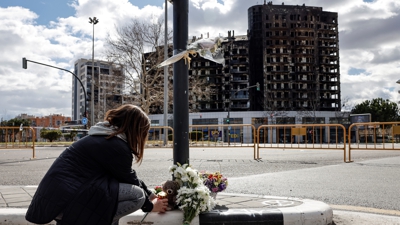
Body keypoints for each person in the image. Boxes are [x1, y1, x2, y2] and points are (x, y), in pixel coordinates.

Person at [25, 104, 168, 225]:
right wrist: (150, 206)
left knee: (117, 192)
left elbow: (127, 175)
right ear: (135, 129)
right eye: (144, 132)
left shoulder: (103, 136)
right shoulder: (115, 146)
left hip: (59, 200)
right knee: (136, 195)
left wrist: (150, 194)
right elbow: (129, 180)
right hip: (66, 204)